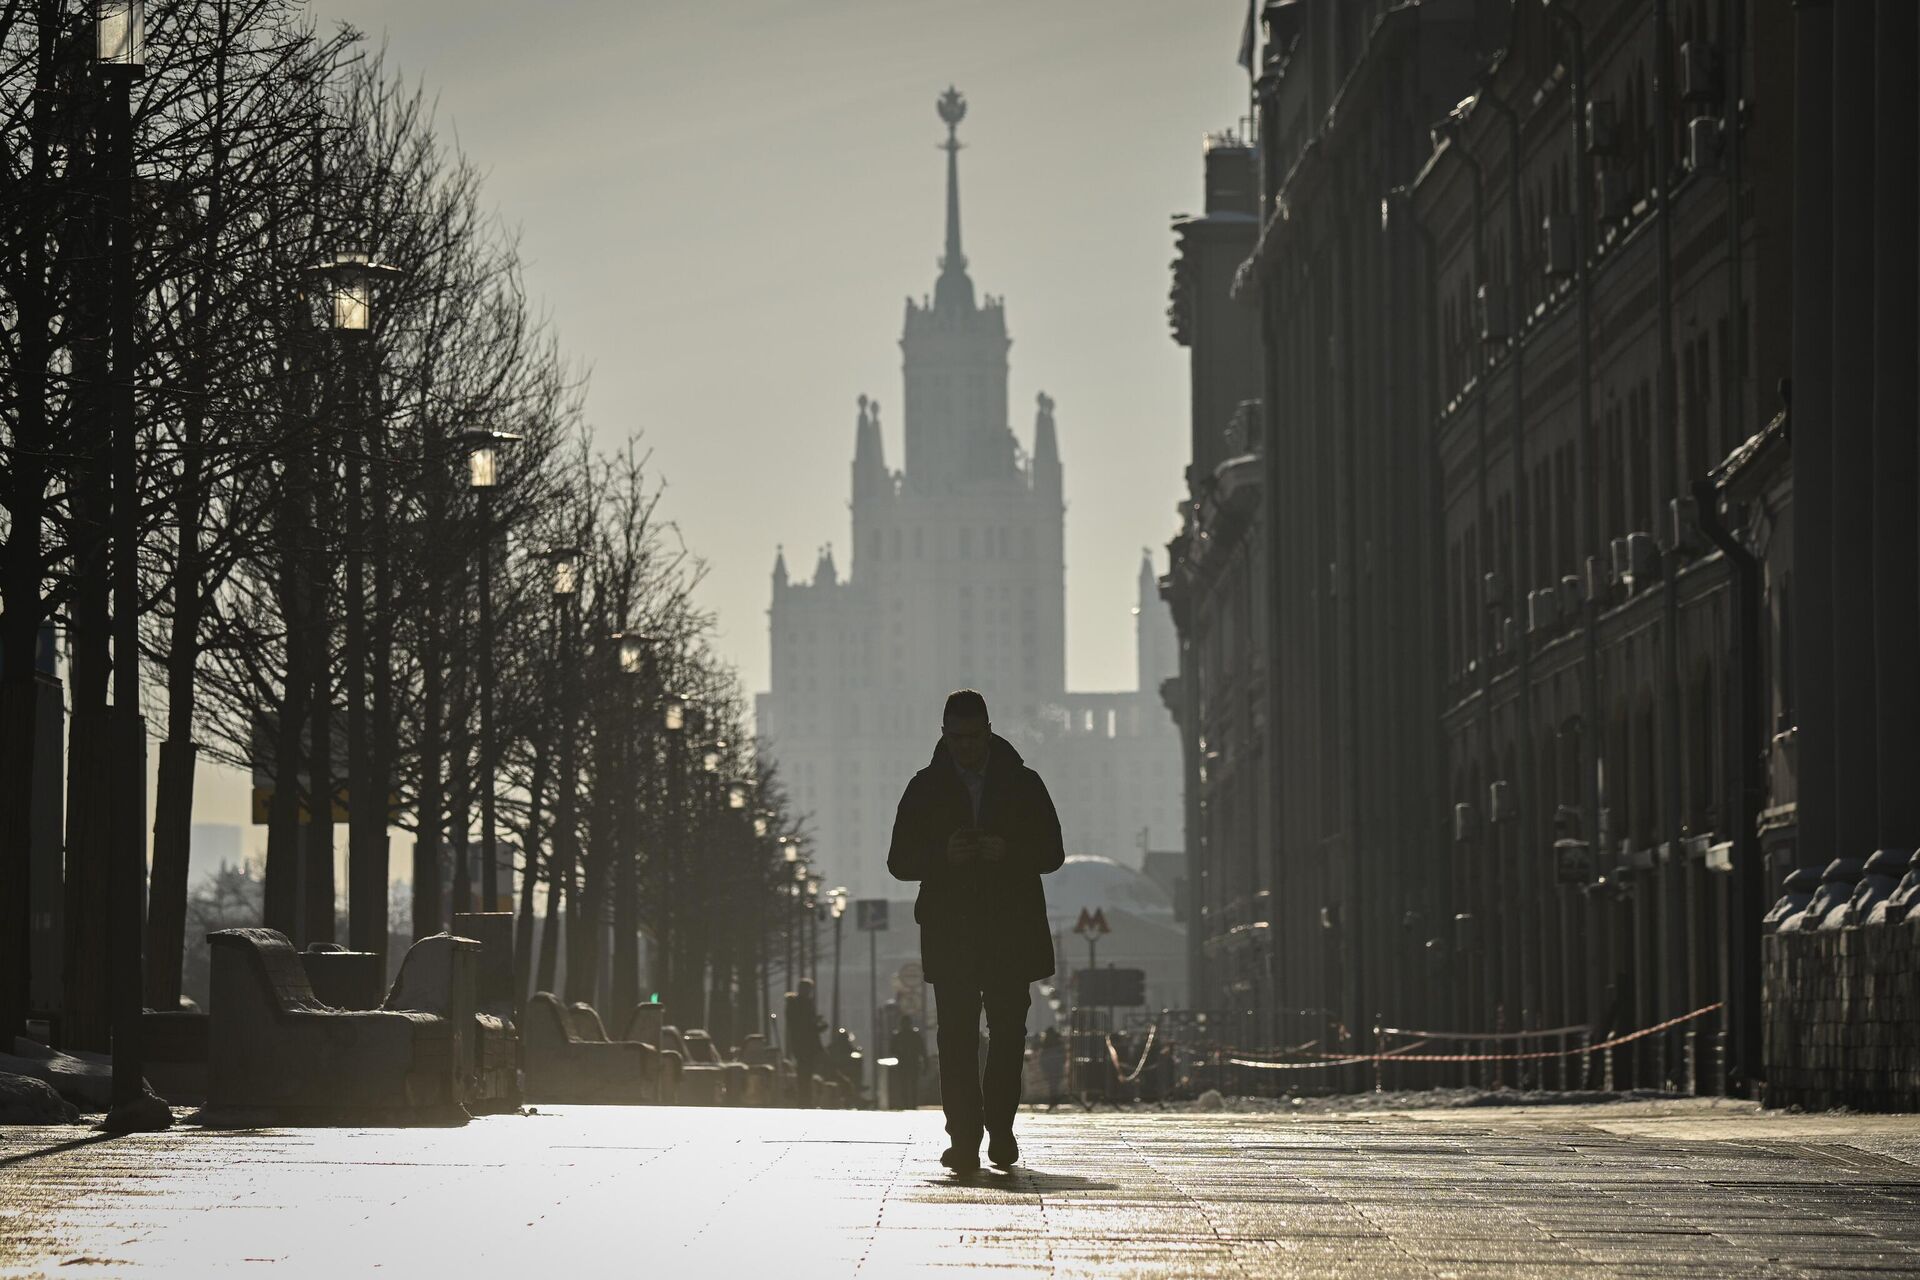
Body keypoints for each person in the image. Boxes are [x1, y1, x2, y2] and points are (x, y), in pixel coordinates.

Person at [887, 688, 1065, 1172]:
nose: (965, 747)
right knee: (957, 1037)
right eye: (956, 738)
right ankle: (964, 1138)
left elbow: (1052, 853)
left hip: (1009, 930)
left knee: (1008, 1034)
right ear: (944, 735)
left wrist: (1006, 852)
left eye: (972, 737)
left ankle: (1000, 1130)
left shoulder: (1023, 784)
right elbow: (898, 861)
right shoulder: (924, 787)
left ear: (988, 731)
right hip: (953, 932)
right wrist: (945, 857)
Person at [785, 978, 823, 1107]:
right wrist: (817, 1026)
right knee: (805, 1071)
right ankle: (805, 1099)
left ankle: (804, 1098)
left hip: (800, 1043)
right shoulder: (802, 1003)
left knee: (804, 1071)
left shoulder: (793, 1003)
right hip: (806, 1043)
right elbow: (805, 1025)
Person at [890, 1014, 927, 1110]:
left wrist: (900, 1052)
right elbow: (922, 1050)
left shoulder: (898, 1036)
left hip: (903, 1063)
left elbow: (892, 1049)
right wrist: (926, 1064)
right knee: (912, 1084)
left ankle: (906, 1105)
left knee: (904, 1085)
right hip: (913, 1063)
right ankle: (912, 1105)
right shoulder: (915, 1035)